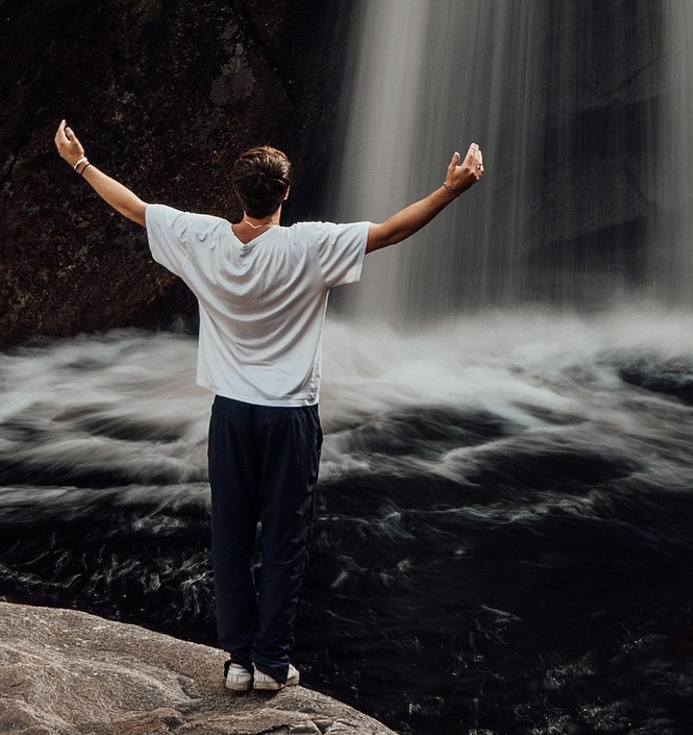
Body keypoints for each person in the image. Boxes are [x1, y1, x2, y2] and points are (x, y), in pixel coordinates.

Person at [53, 119, 484, 694]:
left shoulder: (200, 239)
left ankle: (236, 661)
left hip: (231, 414)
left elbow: (134, 208)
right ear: (285, 193)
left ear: (240, 193)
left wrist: (79, 163)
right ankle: (272, 663)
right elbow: (388, 234)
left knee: (230, 534)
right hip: (290, 415)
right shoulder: (310, 246)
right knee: (285, 537)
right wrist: (451, 189)